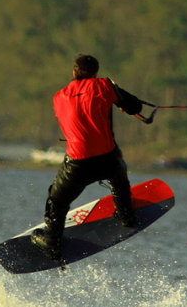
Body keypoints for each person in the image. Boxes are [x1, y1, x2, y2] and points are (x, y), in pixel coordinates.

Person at [31, 54, 145, 260]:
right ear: (95, 73)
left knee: (57, 201)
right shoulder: (103, 86)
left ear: (74, 72)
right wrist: (117, 95)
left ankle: (52, 242)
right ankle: (126, 214)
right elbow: (135, 107)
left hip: (77, 164)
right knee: (118, 173)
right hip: (107, 159)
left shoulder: (59, 97)